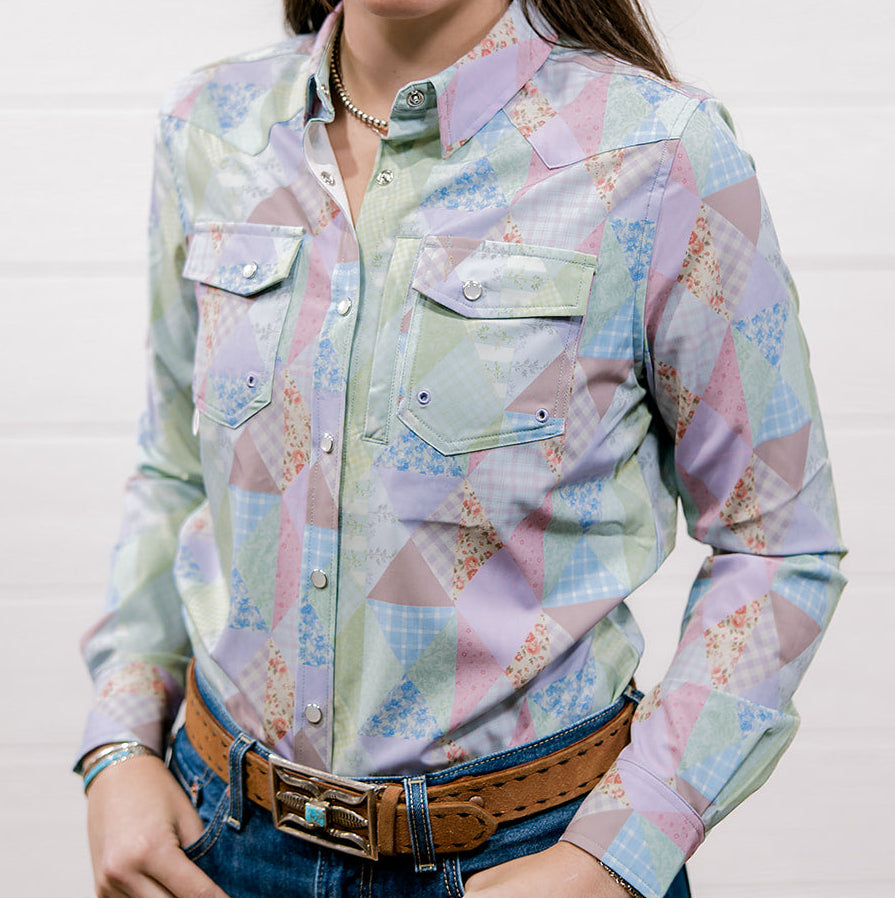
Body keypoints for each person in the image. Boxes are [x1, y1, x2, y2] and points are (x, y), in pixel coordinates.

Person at [76, 1, 846, 896]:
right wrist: (121, 741)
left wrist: (612, 855)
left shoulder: (659, 151)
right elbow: (175, 468)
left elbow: (779, 544)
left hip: (528, 859)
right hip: (218, 842)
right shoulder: (209, 125)